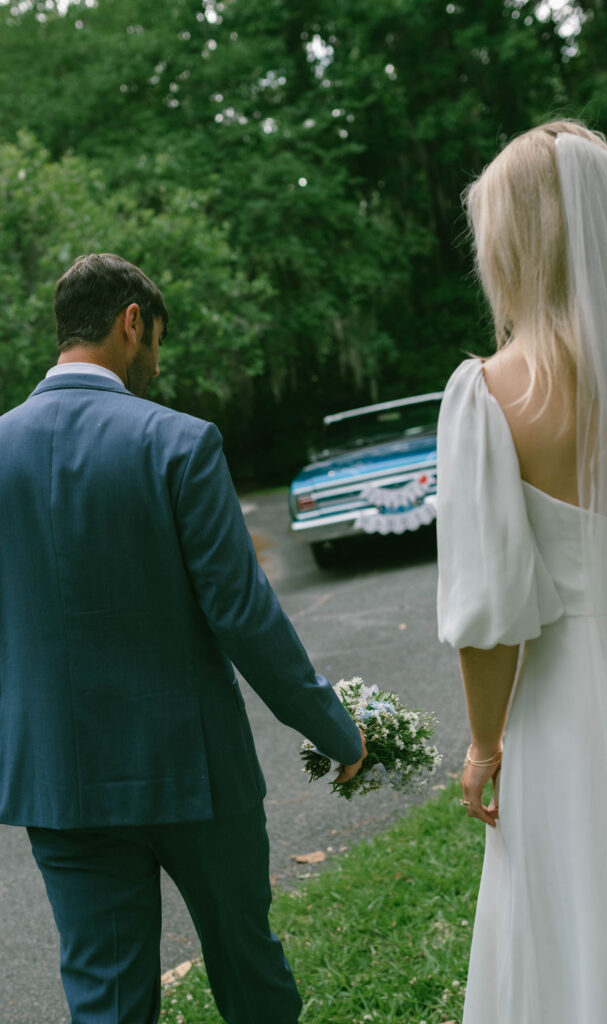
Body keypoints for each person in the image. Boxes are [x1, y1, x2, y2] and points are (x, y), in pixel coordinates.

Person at [0, 252, 366, 1024]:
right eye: (157, 340)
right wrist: (334, 729)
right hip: (193, 773)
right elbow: (243, 614)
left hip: (61, 784)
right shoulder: (180, 442)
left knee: (105, 1000)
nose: (157, 363)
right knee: (250, 972)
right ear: (131, 323)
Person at [437, 120, 607, 1022]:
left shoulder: (496, 393)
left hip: (569, 712)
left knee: (581, 916)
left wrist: (484, 747)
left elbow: (493, 615)